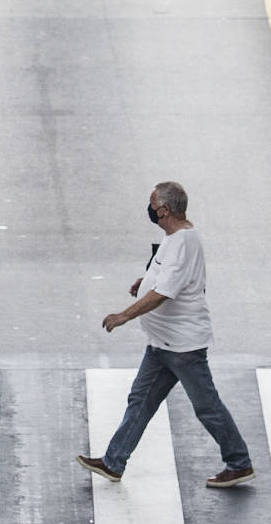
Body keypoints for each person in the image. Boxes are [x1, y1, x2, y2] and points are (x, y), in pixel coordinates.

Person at [77, 182, 257, 491]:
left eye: (152, 205)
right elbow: (165, 278)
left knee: (207, 406)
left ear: (164, 210)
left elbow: (165, 292)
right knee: (141, 401)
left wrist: (124, 315)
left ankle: (239, 463)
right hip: (163, 344)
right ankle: (113, 462)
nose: (149, 210)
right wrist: (143, 281)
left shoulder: (184, 242)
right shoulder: (174, 239)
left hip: (183, 346)